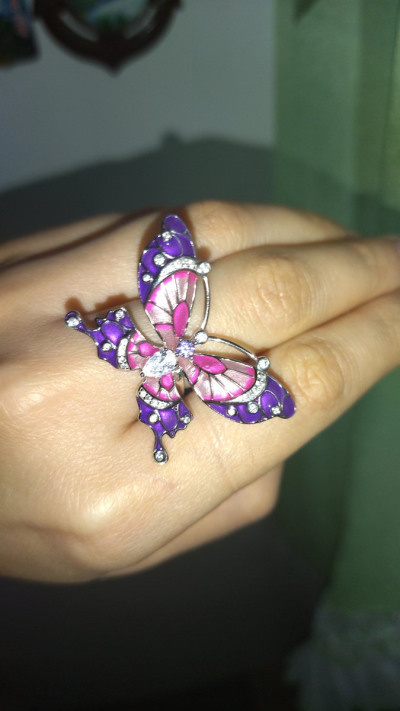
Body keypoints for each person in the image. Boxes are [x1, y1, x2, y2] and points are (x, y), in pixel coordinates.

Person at [0, 199, 399, 583]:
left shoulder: (186, 353)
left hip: (147, 356)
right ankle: (100, 342)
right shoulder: (192, 358)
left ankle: (103, 345)